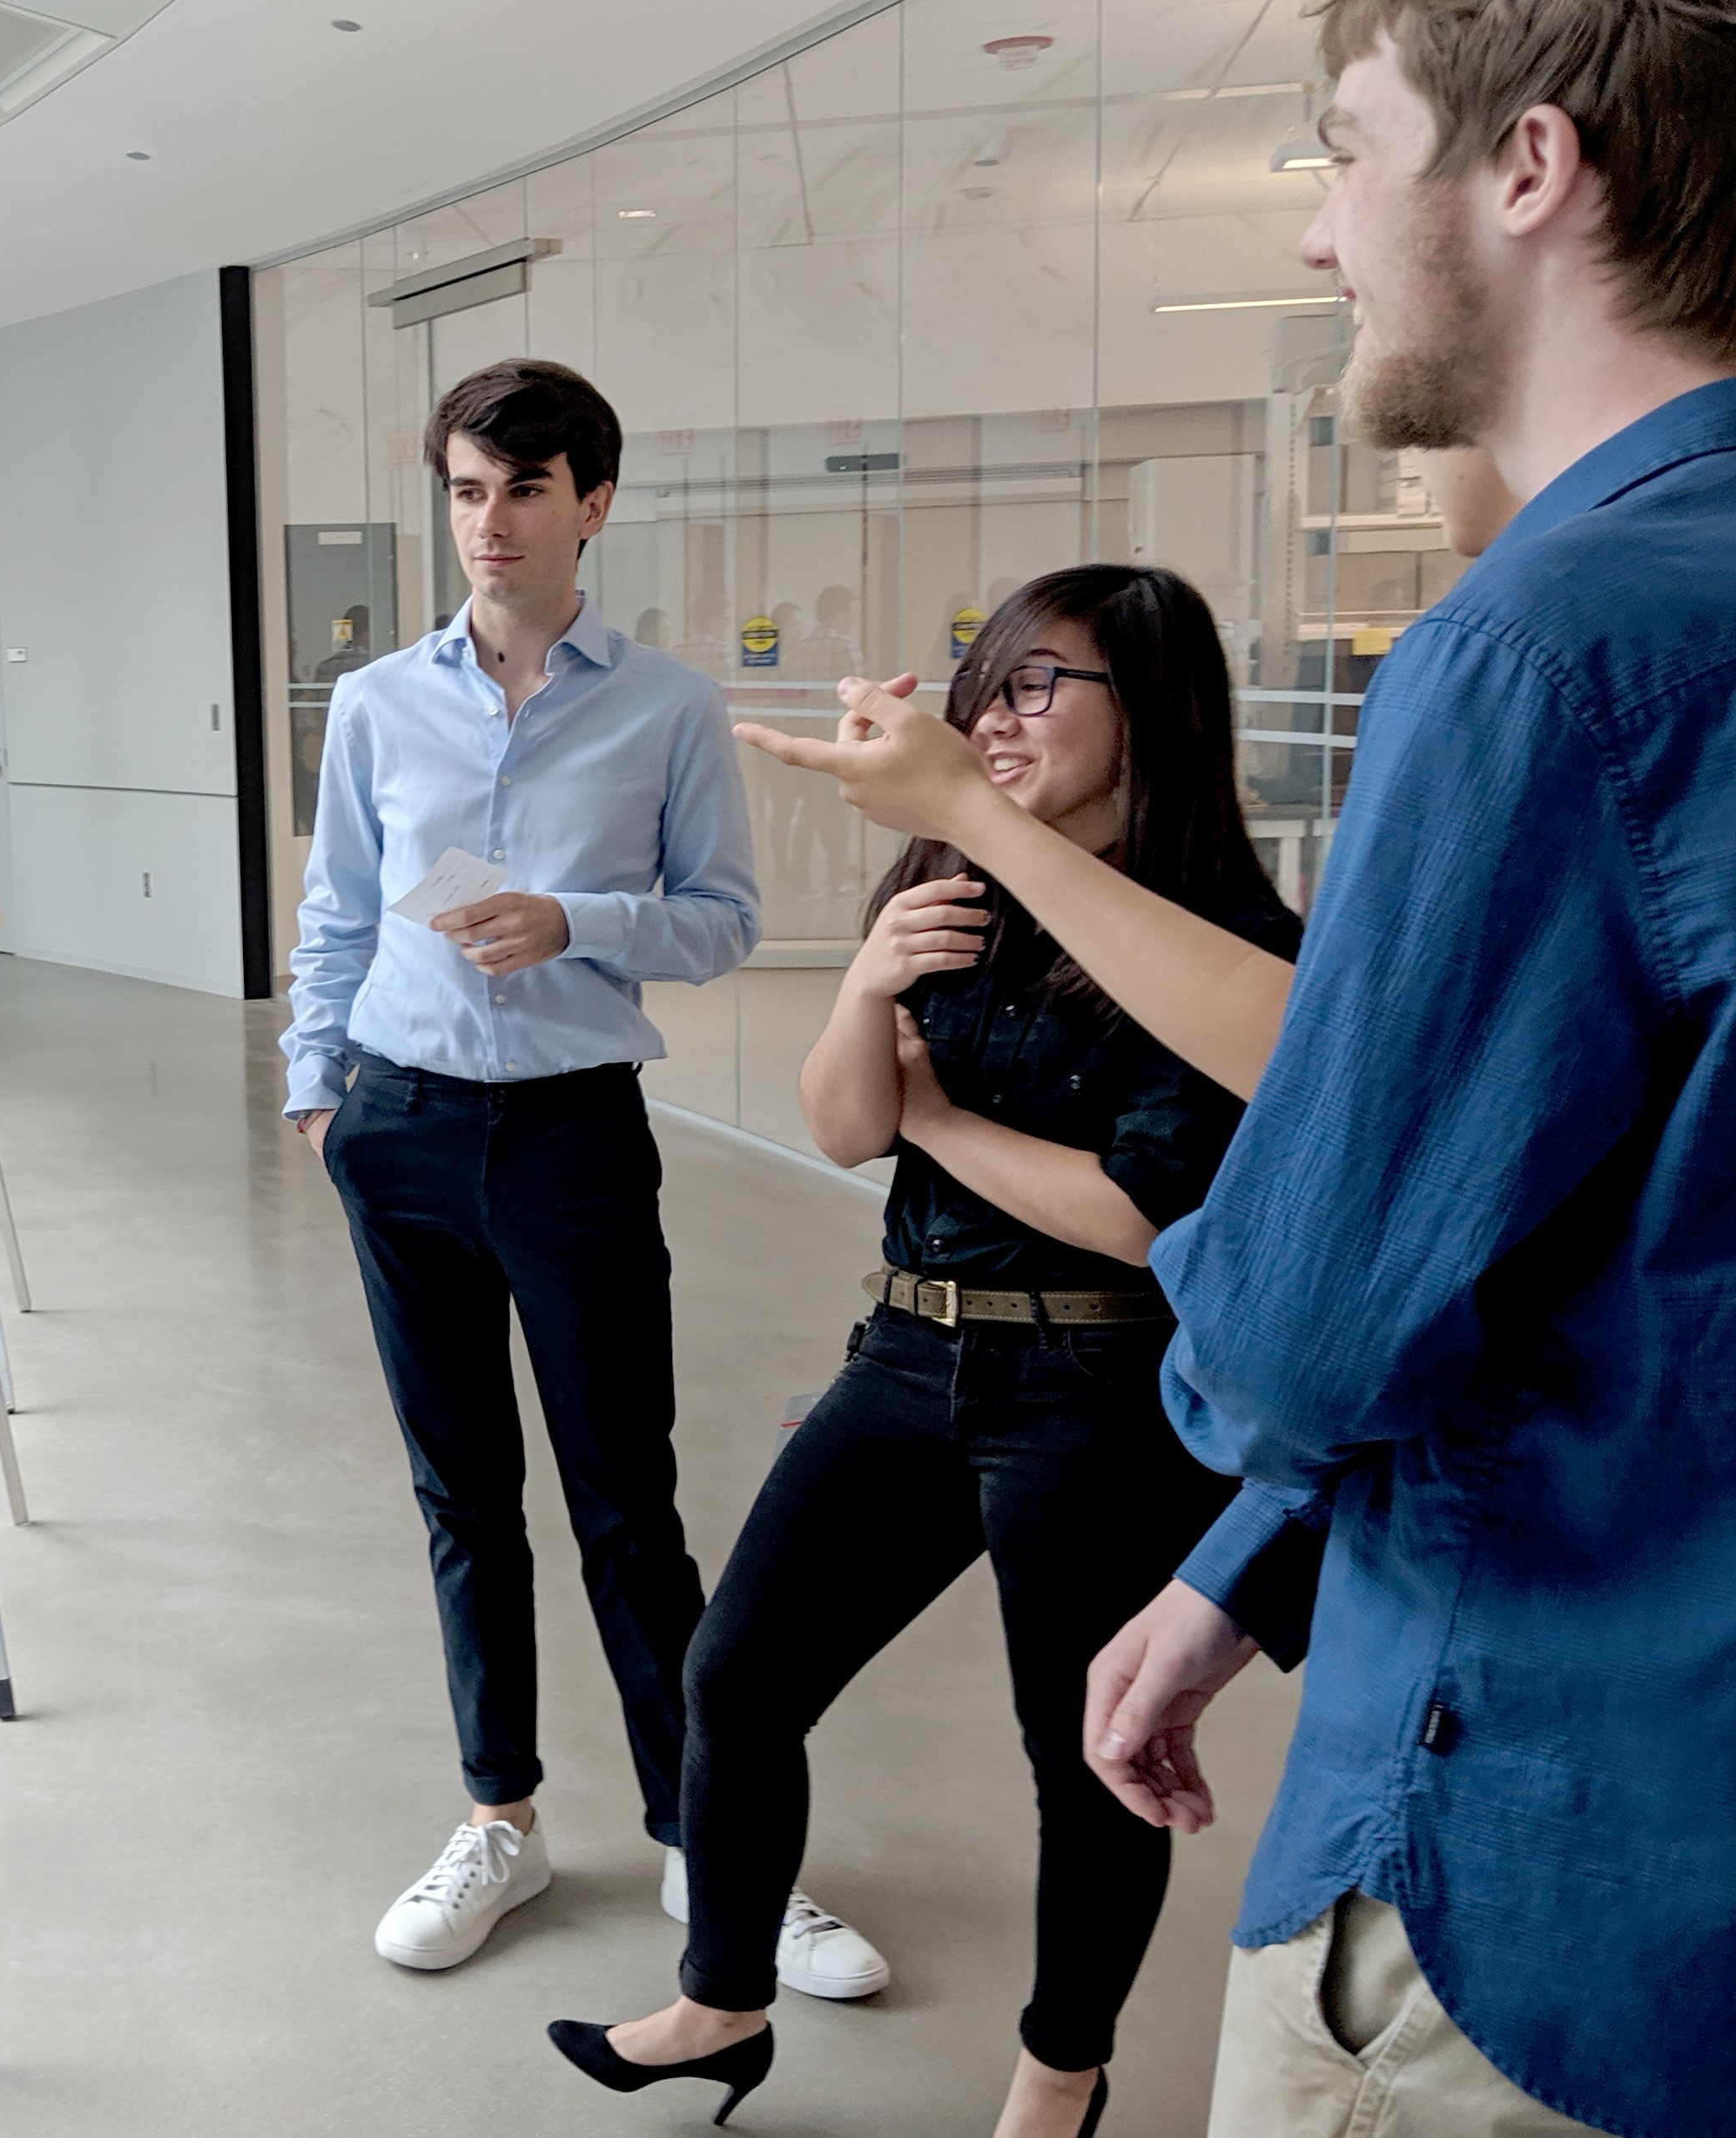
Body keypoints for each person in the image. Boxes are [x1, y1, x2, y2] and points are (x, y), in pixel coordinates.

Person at [738, 0, 1736, 2129]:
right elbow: (1635, 1258)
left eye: (1346, 147)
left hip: (1516, 1864)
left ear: (1529, 169)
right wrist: (1245, 1573)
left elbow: (1297, 1321)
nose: (1328, 228)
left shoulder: (1546, 656)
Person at [551, 568, 1299, 2138]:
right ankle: (724, 1998)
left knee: (1085, 1754)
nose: (996, 718)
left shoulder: (1219, 943)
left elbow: (1141, 1223)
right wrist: (869, 981)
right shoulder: (949, 885)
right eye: (990, 684)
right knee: (738, 1679)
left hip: (1094, 1390)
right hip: (905, 1351)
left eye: (1045, 686)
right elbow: (841, 1128)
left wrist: (942, 1118)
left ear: (1148, 712)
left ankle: (1060, 2073)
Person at [287, 360, 860, 1982]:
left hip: (570, 1136)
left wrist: (575, 923)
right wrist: (316, 1101)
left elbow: (728, 919)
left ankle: (704, 1839)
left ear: (590, 504)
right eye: (466, 490)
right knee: (462, 1498)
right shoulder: (380, 701)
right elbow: (337, 907)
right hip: (398, 1131)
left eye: (522, 490)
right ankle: (501, 1823)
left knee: (627, 1503)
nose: (489, 522)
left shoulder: (666, 704)